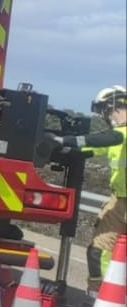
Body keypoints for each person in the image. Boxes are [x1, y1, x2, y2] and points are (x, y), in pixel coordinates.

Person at [53, 85, 126, 295]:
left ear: (114, 105)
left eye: (105, 110)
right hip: (119, 200)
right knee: (97, 252)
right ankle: (99, 296)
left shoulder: (121, 134)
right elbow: (92, 147)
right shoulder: (117, 136)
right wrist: (57, 146)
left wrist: (66, 140)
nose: (105, 116)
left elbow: (110, 138)